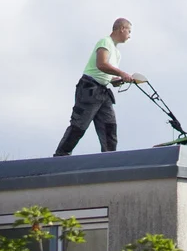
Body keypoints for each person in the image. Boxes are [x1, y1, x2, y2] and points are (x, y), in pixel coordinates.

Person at [54, 18, 146, 155]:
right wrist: (121, 72)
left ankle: (109, 160)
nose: (129, 35)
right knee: (79, 125)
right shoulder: (105, 42)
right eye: (129, 31)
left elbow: (107, 76)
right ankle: (60, 156)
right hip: (89, 89)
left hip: (103, 92)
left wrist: (120, 79)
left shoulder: (117, 53)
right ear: (122, 28)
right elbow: (101, 64)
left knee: (110, 128)